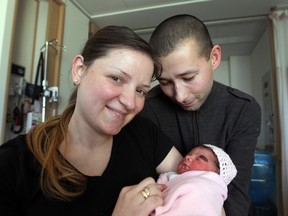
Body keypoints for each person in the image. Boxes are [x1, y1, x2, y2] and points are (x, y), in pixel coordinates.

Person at [0, 26, 183, 216]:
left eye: (140, 91)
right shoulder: (12, 164)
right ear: (79, 70)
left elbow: (200, 181)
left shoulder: (145, 134)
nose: (130, 103)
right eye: (116, 78)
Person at [140, 14, 261, 216]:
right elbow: (143, 182)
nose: (179, 95)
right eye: (165, 82)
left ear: (214, 58)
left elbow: (237, 191)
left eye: (188, 77)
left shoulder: (243, 109)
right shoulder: (146, 109)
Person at [150, 144, 237, 216]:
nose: (188, 157)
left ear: (215, 175)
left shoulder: (209, 187)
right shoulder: (170, 176)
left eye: (201, 158)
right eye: (189, 154)